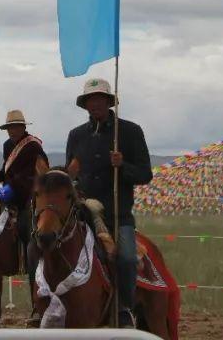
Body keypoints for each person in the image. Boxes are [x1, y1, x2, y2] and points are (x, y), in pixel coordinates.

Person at [64, 78, 152, 328]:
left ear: (108, 101)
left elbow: (145, 174)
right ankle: (50, 303)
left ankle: (125, 307)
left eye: (100, 99)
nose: (95, 104)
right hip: (82, 214)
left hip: (117, 214)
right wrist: (69, 176)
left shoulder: (130, 131)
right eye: (90, 100)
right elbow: (72, 176)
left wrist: (122, 165)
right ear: (85, 104)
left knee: (125, 257)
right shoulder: (76, 135)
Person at [0, 109, 48, 324]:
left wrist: (12, 186)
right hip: (10, 197)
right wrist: (0, 176)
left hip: (27, 199)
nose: (12, 131)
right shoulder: (8, 147)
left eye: (15, 127)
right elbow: (10, 171)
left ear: (23, 127)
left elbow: (35, 175)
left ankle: (36, 303)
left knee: (30, 240)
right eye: (9, 128)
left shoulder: (33, 146)